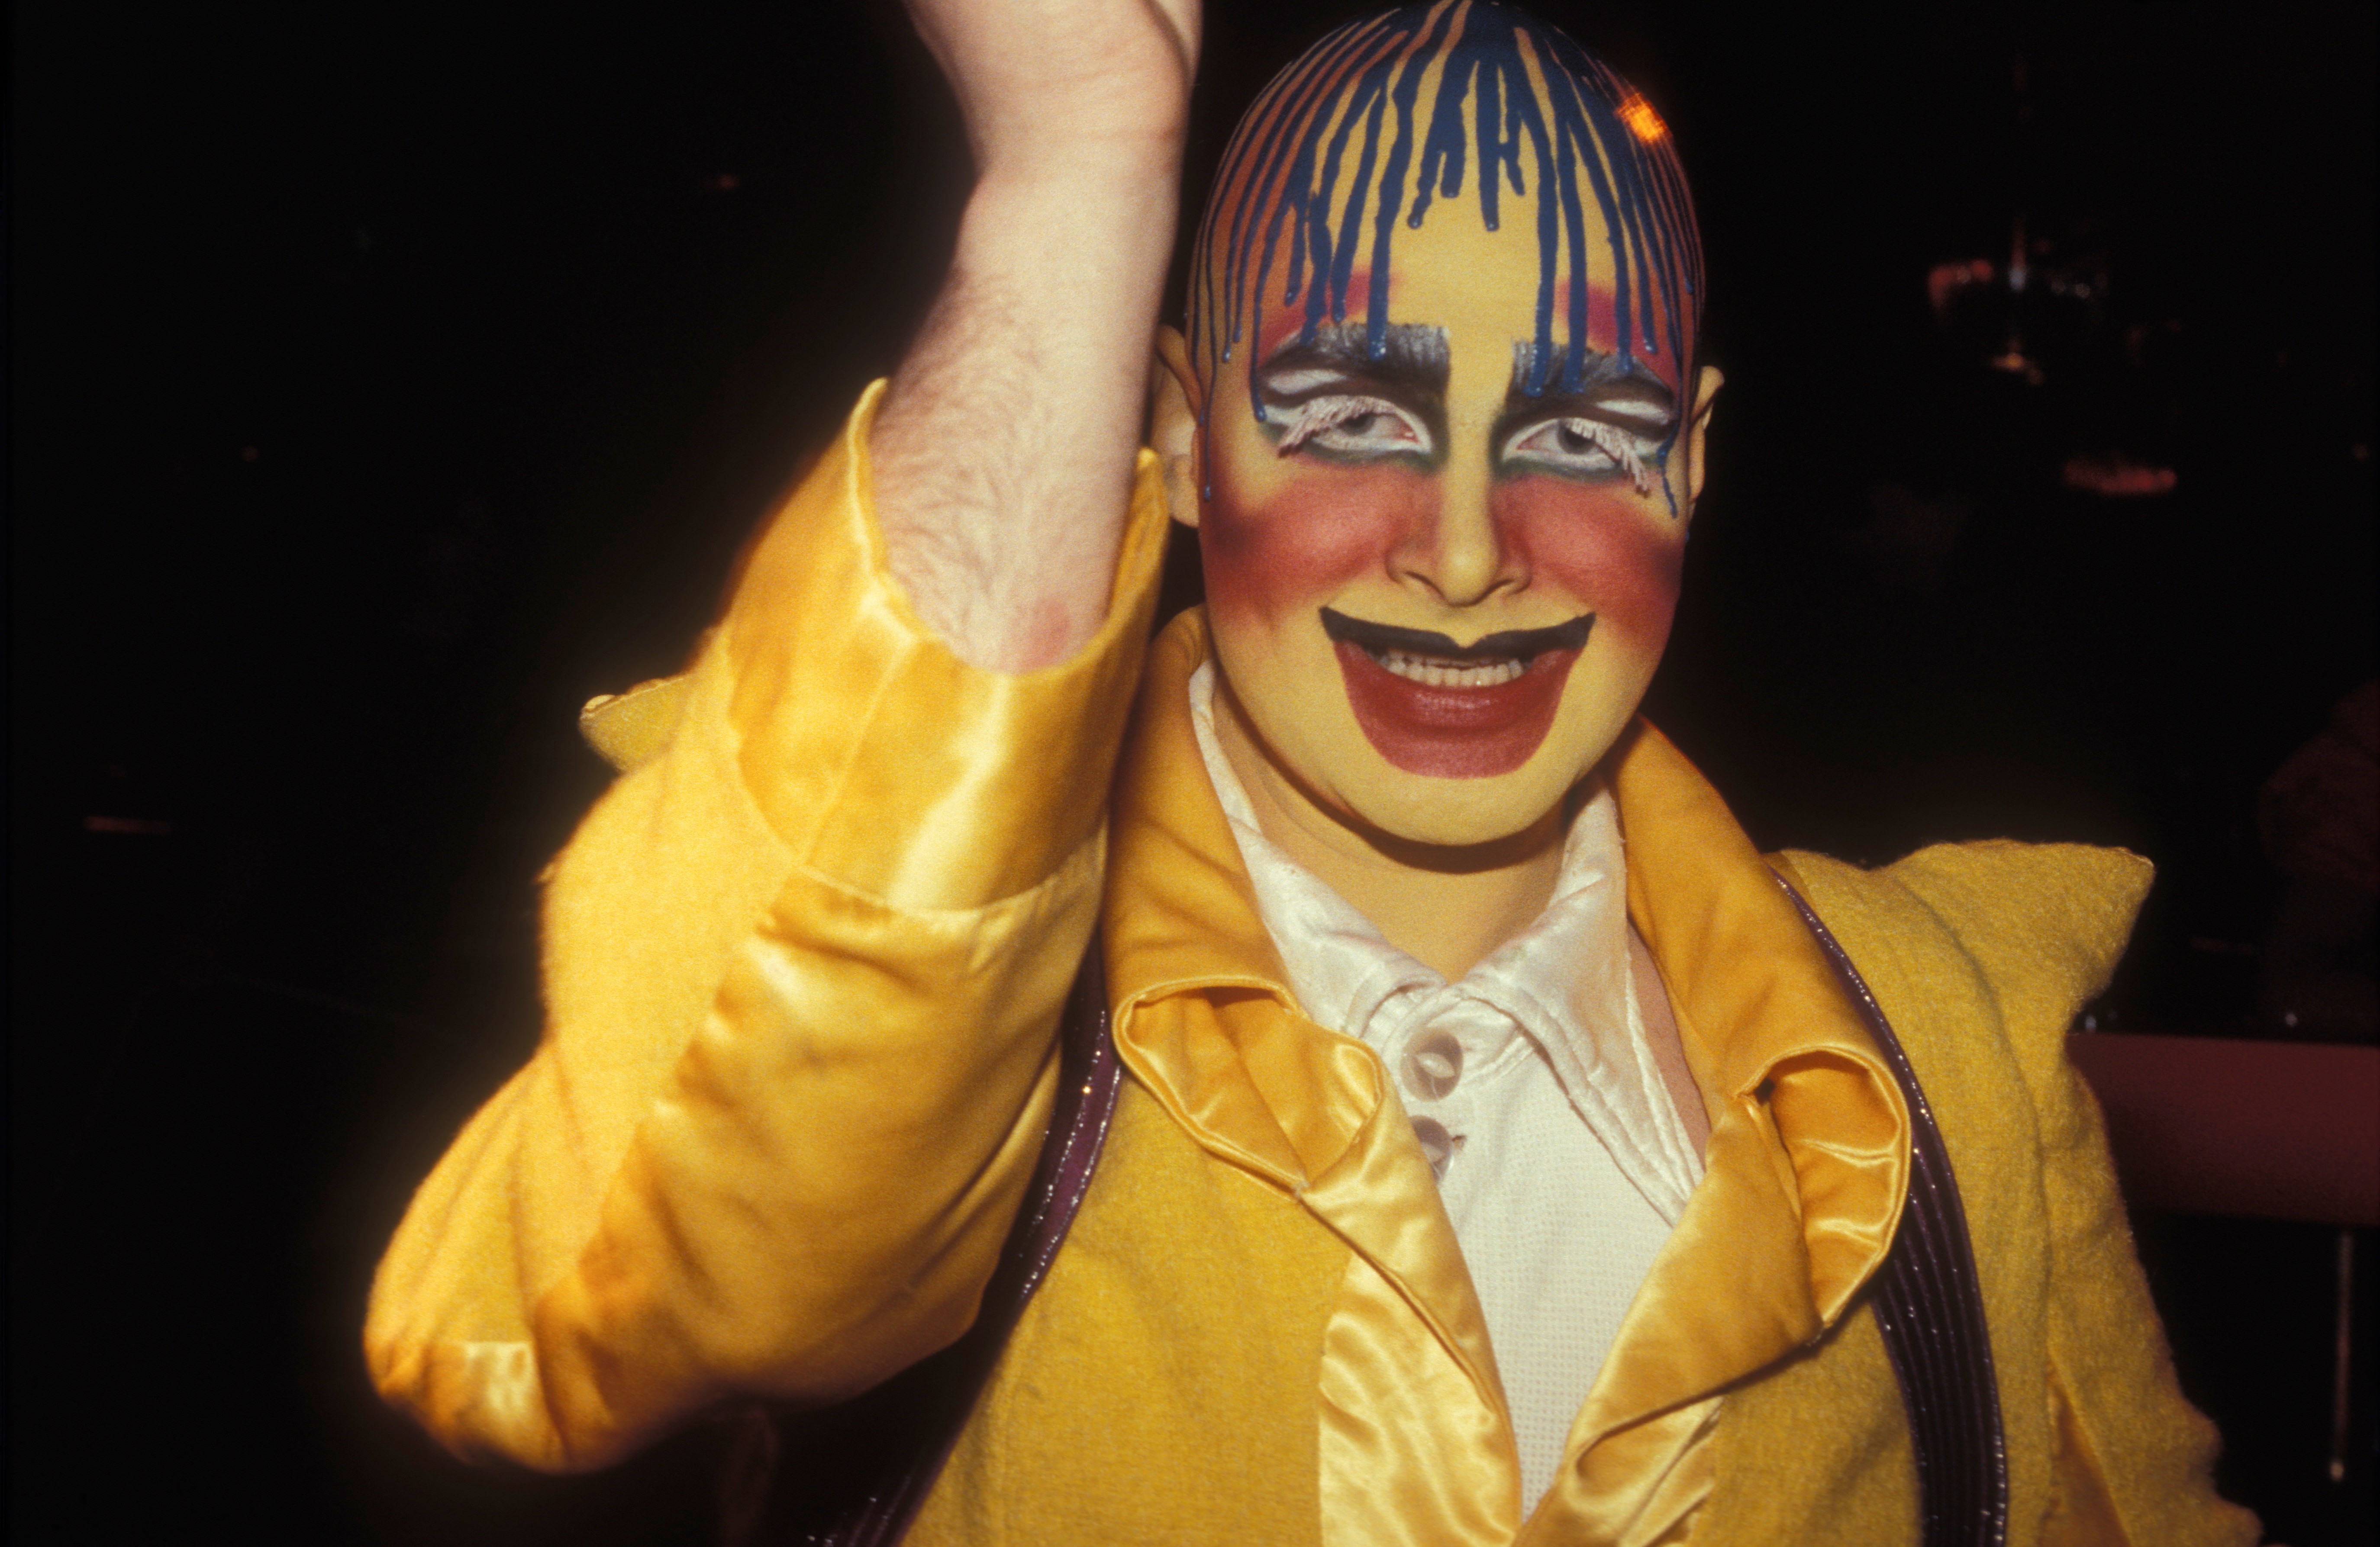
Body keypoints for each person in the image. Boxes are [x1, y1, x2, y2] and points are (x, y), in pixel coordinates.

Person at [367, 3, 2258, 1541]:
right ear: (1185, 440)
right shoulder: (962, 1019)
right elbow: (629, 1304)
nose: (1458, 550)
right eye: (1353, 415)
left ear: (1690, 463)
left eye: (1579, 433)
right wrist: (1076, 178)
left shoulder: (1944, 1052)